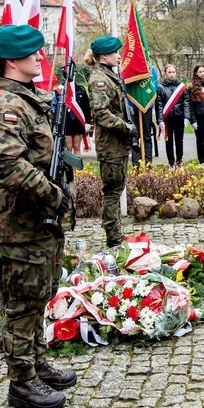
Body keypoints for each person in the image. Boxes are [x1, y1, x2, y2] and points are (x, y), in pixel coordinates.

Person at [0, 24, 77, 408]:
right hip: (22, 222)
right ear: (13, 60)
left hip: (38, 220)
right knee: (22, 304)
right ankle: (21, 383)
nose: (40, 58)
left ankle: (35, 364)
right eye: (33, 52)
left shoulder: (27, 100)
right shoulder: (7, 106)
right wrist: (54, 196)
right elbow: (7, 166)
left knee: (40, 294)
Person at [88, 36, 135, 249]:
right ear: (104, 55)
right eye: (116, 53)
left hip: (118, 144)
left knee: (117, 188)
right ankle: (113, 236)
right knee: (112, 191)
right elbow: (101, 113)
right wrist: (126, 127)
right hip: (110, 145)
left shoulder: (109, 75)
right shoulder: (99, 78)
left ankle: (116, 233)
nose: (119, 56)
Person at [155, 64, 190, 168]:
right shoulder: (161, 88)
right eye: (169, 72)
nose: (171, 74)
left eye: (173, 72)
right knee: (169, 142)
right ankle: (171, 163)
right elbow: (159, 105)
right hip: (167, 119)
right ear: (165, 74)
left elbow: (186, 102)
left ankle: (179, 162)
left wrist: (186, 117)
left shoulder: (182, 87)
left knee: (179, 141)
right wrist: (160, 120)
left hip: (179, 117)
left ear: (176, 73)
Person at [64, 80, 91, 156]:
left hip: (78, 121)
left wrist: (87, 122)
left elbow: (87, 108)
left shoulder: (80, 90)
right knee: (68, 147)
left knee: (77, 146)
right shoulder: (61, 90)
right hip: (66, 122)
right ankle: (69, 167)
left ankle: (76, 167)